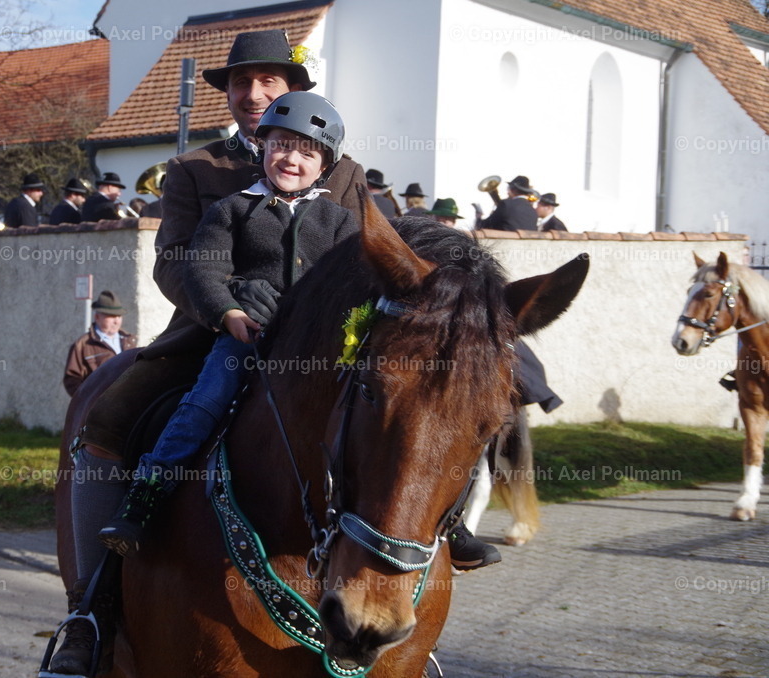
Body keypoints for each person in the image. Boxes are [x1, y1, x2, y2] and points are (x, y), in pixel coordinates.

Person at [43, 29, 493, 675]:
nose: (253, 93)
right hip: (215, 332)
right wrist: (225, 308)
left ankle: (437, 545)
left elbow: (374, 255)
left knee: (412, 413)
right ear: (227, 94)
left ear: (294, 90)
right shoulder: (196, 170)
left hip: (322, 343)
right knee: (110, 418)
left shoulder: (342, 171)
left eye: (269, 81)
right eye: (240, 82)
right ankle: (90, 610)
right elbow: (175, 263)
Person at [98, 91, 358, 555]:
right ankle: (148, 491)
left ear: (326, 166)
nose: (291, 158)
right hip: (248, 337)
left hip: (318, 348)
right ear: (262, 148)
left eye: (306, 151)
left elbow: (357, 281)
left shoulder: (339, 221)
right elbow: (202, 269)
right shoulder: (232, 208)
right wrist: (228, 312)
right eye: (280, 145)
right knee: (205, 400)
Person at [63, 291, 139, 397]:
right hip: (99, 408)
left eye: (119, 316)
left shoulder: (130, 341)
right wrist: (89, 401)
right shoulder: (83, 345)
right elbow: (72, 379)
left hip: (127, 403)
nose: (116, 321)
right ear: (97, 317)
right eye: (112, 316)